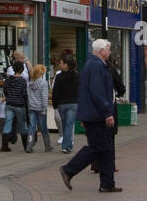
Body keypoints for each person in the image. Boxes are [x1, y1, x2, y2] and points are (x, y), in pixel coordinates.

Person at [60, 39, 120, 192]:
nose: (110, 51)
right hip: (96, 115)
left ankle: (107, 184)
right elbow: (97, 92)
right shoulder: (96, 66)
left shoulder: (93, 65)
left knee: (106, 149)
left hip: (94, 114)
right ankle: (69, 169)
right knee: (97, 147)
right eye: (108, 48)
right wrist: (108, 113)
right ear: (101, 50)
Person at [0, 57, 31, 153]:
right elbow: (24, 94)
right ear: (22, 70)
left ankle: (4, 146)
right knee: (23, 125)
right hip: (20, 105)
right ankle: (26, 146)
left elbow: (5, 90)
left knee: (8, 123)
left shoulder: (8, 79)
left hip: (9, 104)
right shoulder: (22, 81)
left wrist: (9, 96)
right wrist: (26, 104)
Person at [52, 54, 79, 153]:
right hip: (73, 103)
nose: (60, 65)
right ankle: (67, 145)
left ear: (67, 65)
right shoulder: (77, 76)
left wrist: (55, 104)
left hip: (61, 104)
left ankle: (66, 144)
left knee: (65, 124)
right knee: (69, 125)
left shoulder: (59, 77)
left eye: (61, 63)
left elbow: (56, 91)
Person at [27, 63, 53, 151]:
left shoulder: (30, 83)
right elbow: (44, 97)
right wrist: (44, 109)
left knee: (31, 126)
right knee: (43, 128)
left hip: (31, 107)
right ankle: (48, 146)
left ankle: (29, 146)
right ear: (41, 73)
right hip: (40, 108)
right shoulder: (43, 83)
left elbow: (28, 96)